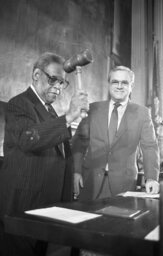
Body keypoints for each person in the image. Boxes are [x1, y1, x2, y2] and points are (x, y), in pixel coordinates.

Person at [0, 52, 89, 256]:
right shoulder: (19, 104)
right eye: (53, 80)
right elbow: (28, 138)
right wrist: (68, 117)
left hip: (45, 205)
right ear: (37, 75)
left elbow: (59, 154)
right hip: (22, 205)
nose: (57, 88)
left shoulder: (50, 112)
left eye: (62, 83)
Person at [72, 66, 160, 202]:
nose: (119, 86)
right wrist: (76, 171)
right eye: (115, 82)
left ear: (131, 86)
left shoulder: (142, 113)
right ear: (109, 84)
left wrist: (152, 178)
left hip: (124, 185)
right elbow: (79, 143)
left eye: (124, 82)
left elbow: (150, 147)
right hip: (90, 182)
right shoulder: (93, 109)